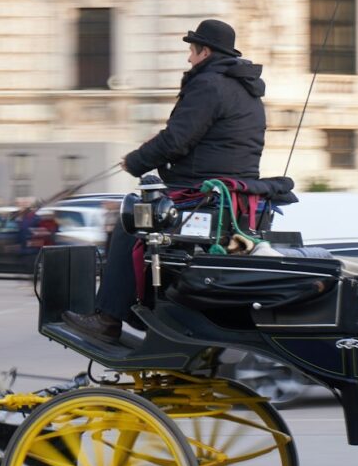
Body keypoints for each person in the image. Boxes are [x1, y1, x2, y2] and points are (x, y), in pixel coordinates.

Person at [63, 19, 267, 343]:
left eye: (191, 50)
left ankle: (108, 318)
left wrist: (136, 161)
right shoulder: (245, 90)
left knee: (130, 223)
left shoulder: (209, 84)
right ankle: (137, 308)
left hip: (202, 190)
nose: (188, 58)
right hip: (230, 192)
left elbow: (176, 141)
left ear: (205, 51)